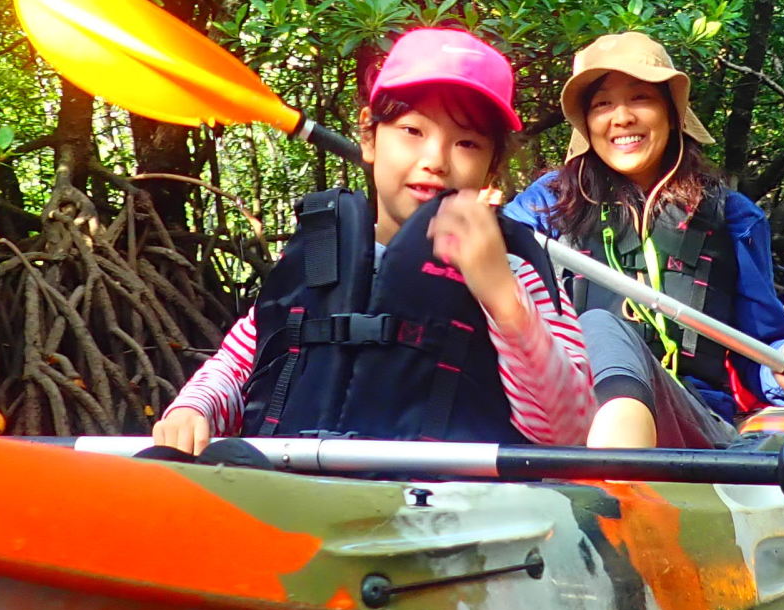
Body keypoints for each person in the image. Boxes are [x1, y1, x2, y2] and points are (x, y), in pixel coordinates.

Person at [150, 28, 593, 452]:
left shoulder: (516, 273)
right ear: (369, 135)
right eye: (412, 131)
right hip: (300, 489)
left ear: (491, 167)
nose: (435, 161)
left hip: (446, 512)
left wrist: (502, 296)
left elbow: (571, 432)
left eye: (467, 144)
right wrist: (195, 409)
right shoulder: (318, 256)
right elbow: (240, 362)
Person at [501, 33, 784, 450]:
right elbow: (493, 273)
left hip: (692, 418)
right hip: (570, 414)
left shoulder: (734, 216)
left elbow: (763, 350)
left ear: (671, 112)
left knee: (602, 323)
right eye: (602, 104)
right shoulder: (544, 205)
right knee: (599, 327)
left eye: (640, 98)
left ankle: (615, 489)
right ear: (587, 124)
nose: (621, 117)